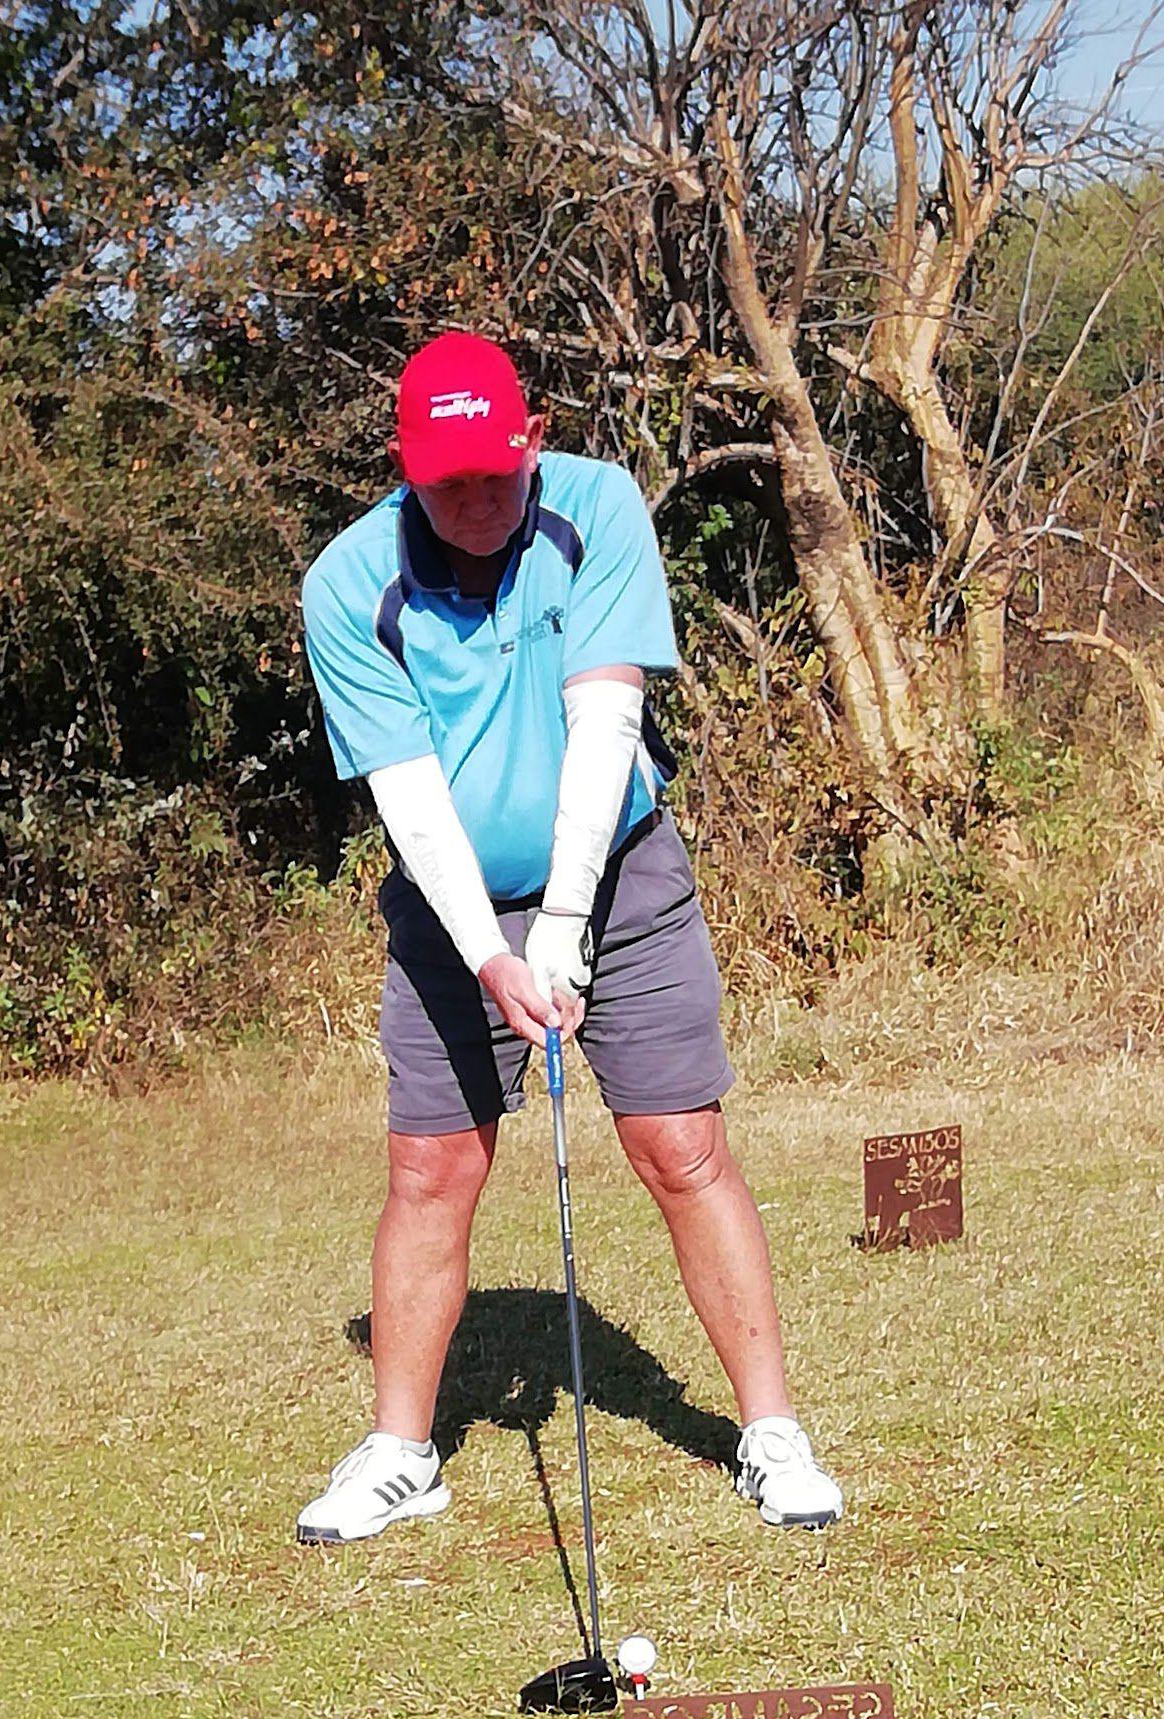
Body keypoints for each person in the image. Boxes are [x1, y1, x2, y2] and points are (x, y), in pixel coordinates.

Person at [297, 331, 843, 1543]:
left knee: (679, 1143)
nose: (480, 502)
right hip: (453, 913)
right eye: (448, 485)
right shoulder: (346, 583)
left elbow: (605, 726)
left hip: (620, 875)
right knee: (432, 1169)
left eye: (497, 472)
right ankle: (402, 1451)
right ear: (406, 470)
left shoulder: (595, 510)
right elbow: (408, 794)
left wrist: (560, 923)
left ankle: (770, 1430)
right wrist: (496, 955)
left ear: (529, 442)